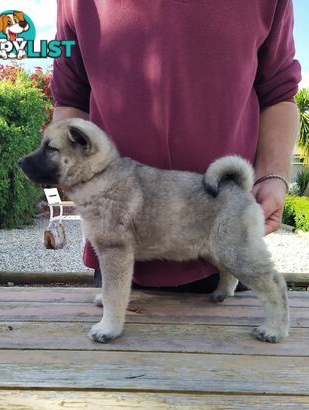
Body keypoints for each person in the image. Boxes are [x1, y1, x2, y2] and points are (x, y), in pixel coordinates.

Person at [51, 0, 301, 292]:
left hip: (225, 243)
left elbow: (278, 93)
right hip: (120, 254)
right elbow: (70, 99)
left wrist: (272, 176)